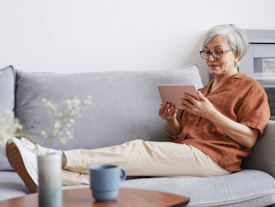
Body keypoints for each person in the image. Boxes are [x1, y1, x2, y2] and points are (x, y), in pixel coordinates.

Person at [2, 24, 270, 194]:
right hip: (189, 153)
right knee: (119, 173)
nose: (211, 59)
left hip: (217, 160)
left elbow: (248, 137)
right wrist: (171, 121)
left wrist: (210, 114)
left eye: (218, 52)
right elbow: (178, 136)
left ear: (238, 54)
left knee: (138, 148)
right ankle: (49, 180)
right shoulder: (199, 92)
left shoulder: (250, 88)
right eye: (207, 53)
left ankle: (46, 156)